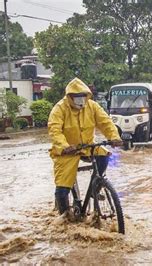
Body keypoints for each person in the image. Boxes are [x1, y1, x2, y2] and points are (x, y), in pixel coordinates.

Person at [48, 78, 122, 215]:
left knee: (104, 156)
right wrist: (64, 146)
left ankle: (96, 187)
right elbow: (54, 130)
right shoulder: (59, 109)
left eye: (83, 96)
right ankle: (65, 218)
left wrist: (114, 137)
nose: (80, 100)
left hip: (88, 146)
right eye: (77, 97)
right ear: (70, 97)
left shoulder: (92, 106)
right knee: (62, 189)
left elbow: (105, 122)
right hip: (67, 151)